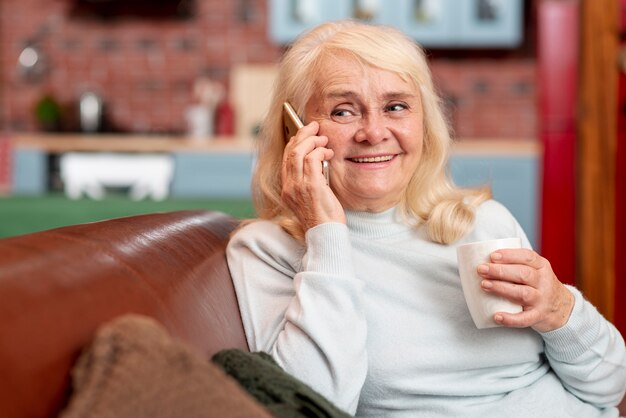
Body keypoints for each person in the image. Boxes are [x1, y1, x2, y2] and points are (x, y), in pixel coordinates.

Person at [226, 20, 626, 417]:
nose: (374, 131)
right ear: (296, 131)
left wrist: (561, 310)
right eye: (343, 111)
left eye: (396, 106)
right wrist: (326, 235)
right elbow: (314, 406)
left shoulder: (481, 222)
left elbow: (609, 385)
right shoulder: (269, 250)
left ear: (424, 122)